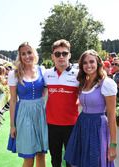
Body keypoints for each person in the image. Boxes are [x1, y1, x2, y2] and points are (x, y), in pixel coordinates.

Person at [64, 49, 117, 167]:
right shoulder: (84, 82)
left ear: (98, 63)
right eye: (85, 63)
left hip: (98, 126)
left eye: (91, 62)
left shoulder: (107, 83)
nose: (88, 65)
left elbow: (112, 116)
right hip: (82, 124)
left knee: (95, 160)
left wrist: (113, 145)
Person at [7, 42, 48, 167]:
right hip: (24, 113)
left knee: (41, 154)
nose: (27, 56)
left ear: (34, 53)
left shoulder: (42, 70)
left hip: (40, 113)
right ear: (19, 56)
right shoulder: (14, 74)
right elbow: (13, 100)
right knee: (28, 156)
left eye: (29, 52)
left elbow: (46, 91)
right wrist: (12, 126)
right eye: (23, 54)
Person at [44, 39, 79, 167]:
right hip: (52, 124)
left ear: (69, 55)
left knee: (71, 160)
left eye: (64, 53)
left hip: (72, 124)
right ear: (53, 56)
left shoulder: (78, 74)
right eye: (57, 54)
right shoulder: (47, 74)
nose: (61, 56)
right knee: (55, 159)